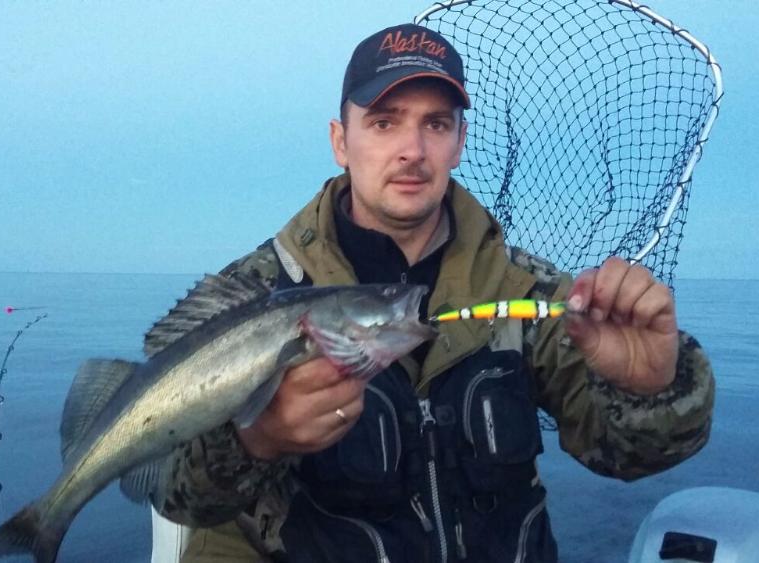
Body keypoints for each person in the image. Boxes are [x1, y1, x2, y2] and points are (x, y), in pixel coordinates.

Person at [146, 23, 714, 563]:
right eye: (384, 123)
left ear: (459, 143)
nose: (412, 150)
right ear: (341, 141)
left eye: (436, 124)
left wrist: (650, 387)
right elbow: (174, 493)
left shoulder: (527, 291)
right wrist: (258, 441)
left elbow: (631, 456)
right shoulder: (254, 292)